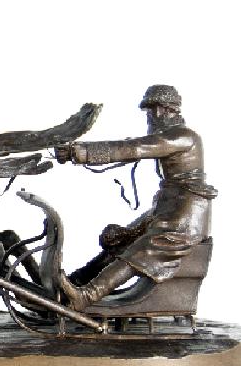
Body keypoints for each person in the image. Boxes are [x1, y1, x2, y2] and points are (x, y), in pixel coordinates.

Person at [53, 84, 217, 310]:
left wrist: (80, 152)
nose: (155, 114)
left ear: (173, 110)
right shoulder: (167, 136)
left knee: (143, 249)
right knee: (121, 239)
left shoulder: (183, 137)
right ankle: (76, 282)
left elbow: (136, 148)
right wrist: (78, 152)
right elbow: (135, 147)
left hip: (186, 216)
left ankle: (86, 296)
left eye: (160, 109)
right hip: (168, 208)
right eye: (151, 109)